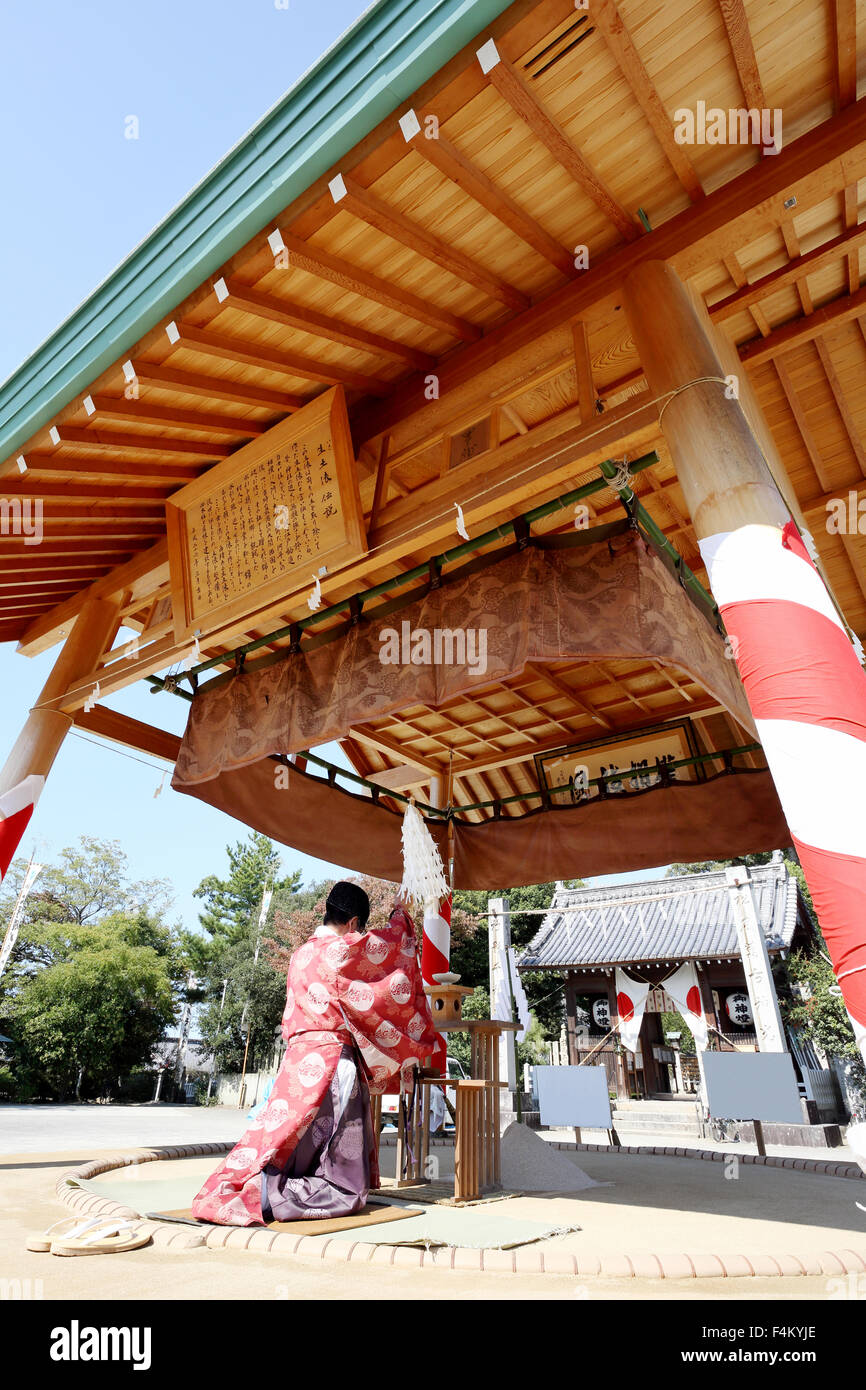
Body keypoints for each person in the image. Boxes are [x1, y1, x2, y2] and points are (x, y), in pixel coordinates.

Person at [191, 882, 438, 1226]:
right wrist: (401, 914)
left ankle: (250, 1184)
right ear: (353, 924)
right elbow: (388, 950)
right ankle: (264, 1192)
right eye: (359, 928)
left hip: (297, 1062)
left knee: (286, 1140)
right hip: (332, 1065)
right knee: (346, 1183)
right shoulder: (339, 950)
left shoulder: (301, 954)